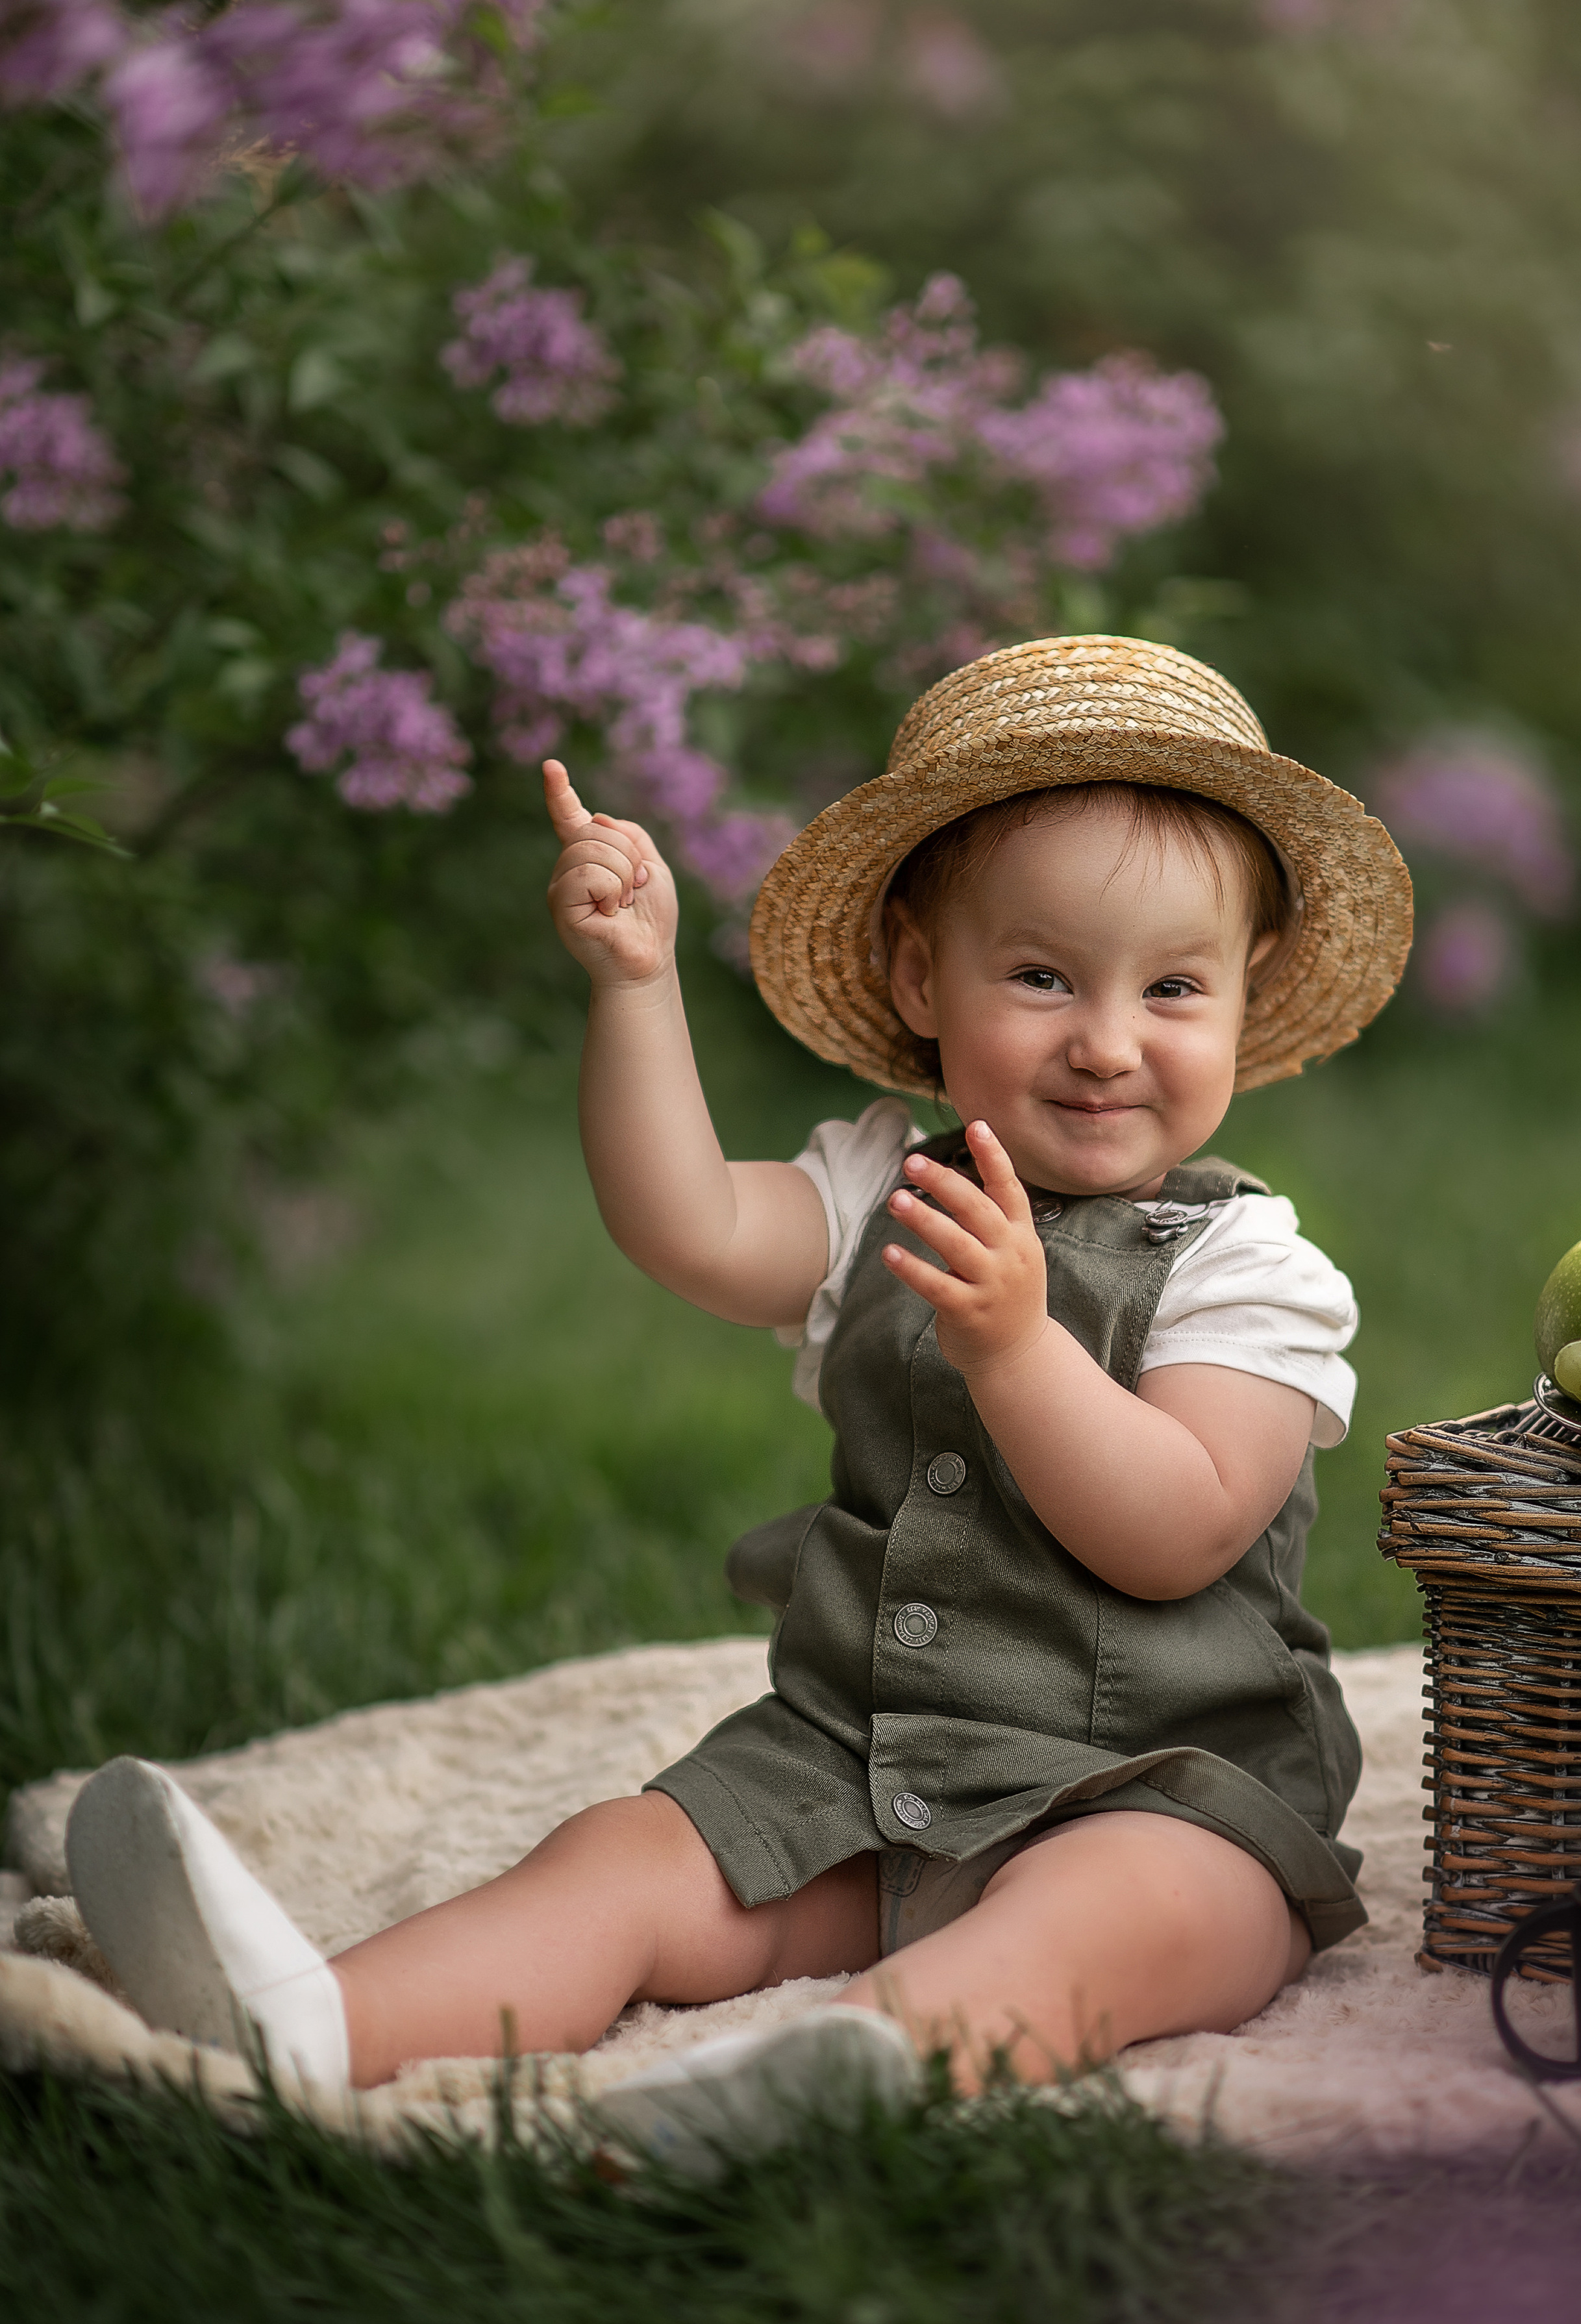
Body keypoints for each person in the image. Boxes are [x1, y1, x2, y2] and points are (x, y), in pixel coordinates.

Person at [65, 635, 1412, 2164]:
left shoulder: (1246, 1264)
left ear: (1246, 997)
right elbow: (688, 1225)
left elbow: (1174, 1531)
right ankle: (303, 2025)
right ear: (921, 977)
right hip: (861, 1754)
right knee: (619, 1861)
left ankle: (860, 2065)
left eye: (1171, 987)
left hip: (1163, 1784)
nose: (1106, 1040)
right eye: (1039, 976)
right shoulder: (874, 1192)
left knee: (1124, 1918)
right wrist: (633, 989)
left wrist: (1018, 1351)